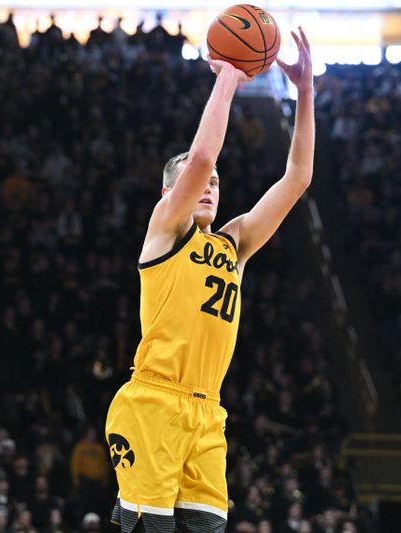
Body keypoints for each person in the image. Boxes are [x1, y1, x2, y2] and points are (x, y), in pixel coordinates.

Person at [104, 27, 314, 533]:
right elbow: (200, 159)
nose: (208, 186)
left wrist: (305, 93)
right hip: (154, 399)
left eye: (217, 184)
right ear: (166, 193)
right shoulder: (165, 230)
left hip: (207, 411)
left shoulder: (233, 244)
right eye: (197, 184)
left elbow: (297, 180)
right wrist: (228, 75)